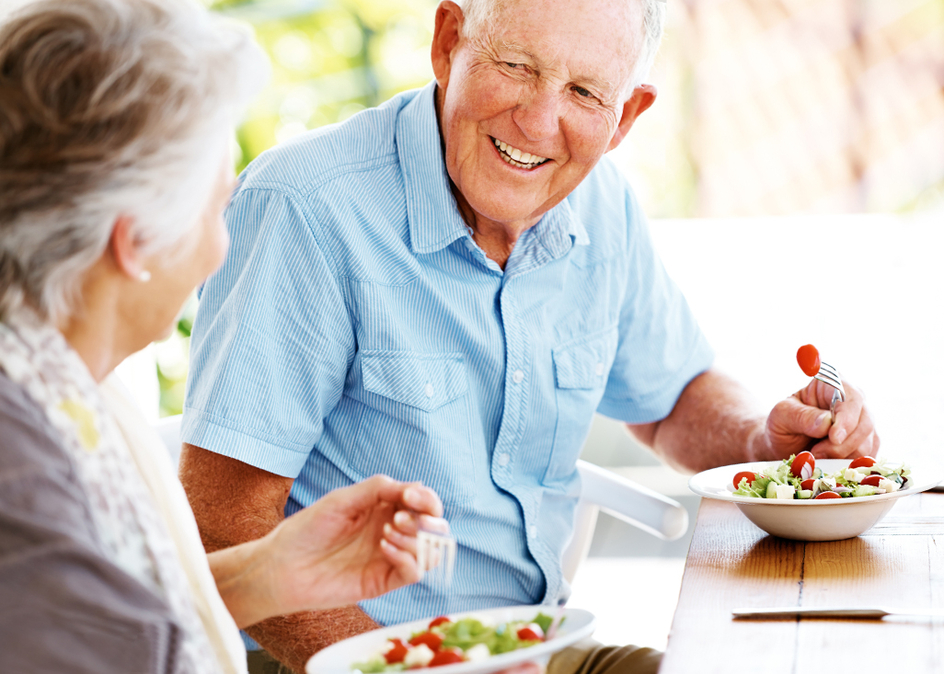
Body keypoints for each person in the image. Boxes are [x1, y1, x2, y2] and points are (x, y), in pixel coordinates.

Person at [179, 0, 880, 672]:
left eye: (583, 91)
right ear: (447, 41)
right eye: (516, 66)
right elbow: (221, 525)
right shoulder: (305, 208)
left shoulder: (600, 204)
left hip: (530, 651)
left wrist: (767, 441)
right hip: (342, 659)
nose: (539, 122)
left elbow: (673, 398)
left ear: (626, 115)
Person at [0, 1, 450, 672]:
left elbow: (108, 618)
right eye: (218, 207)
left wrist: (268, 574)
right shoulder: (24, 473)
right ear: (136, 241)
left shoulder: (58, 388)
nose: (223, 246)